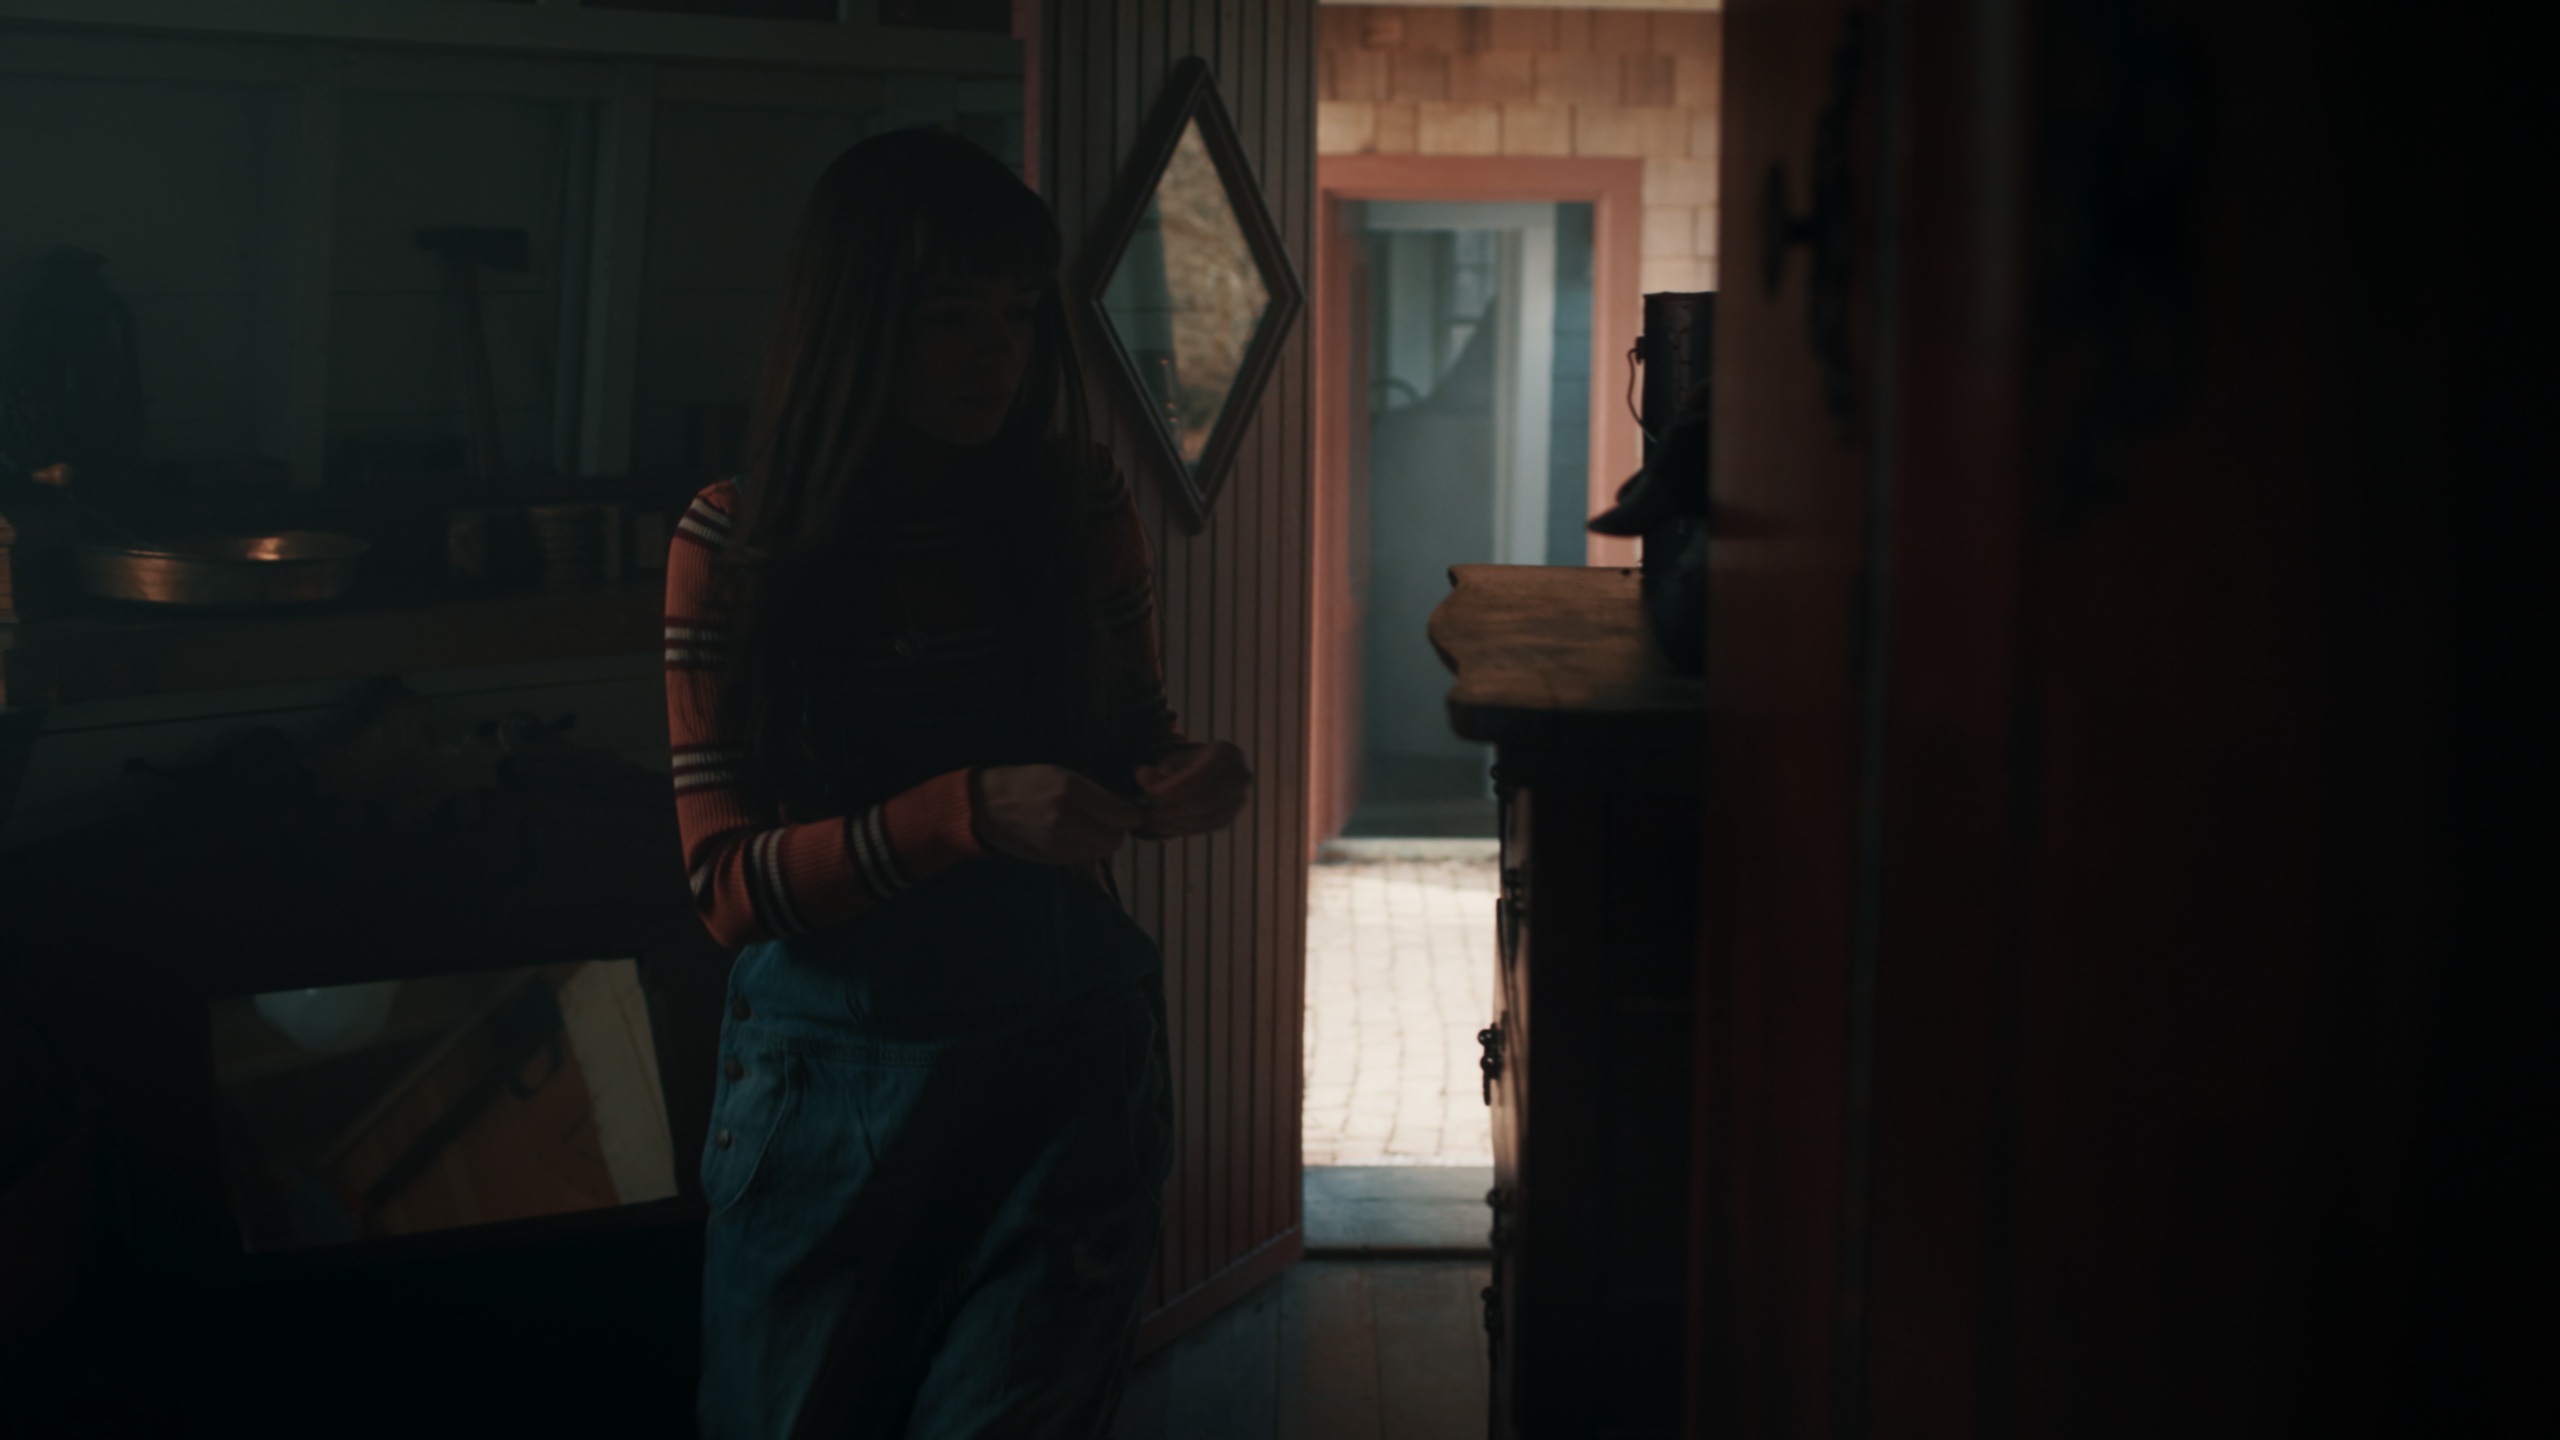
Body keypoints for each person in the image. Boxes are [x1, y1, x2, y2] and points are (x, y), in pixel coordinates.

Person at [663, 127, 1252, 1438]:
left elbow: (1131, 742)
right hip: (826, 1086)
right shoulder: (735, 541)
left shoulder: (1074, 498)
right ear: (853, 328)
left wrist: (1183, 777)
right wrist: (962, 814)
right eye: (948, 320)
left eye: (1018, 317)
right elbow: (725, 886)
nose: (997, 355)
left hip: (1063, 1062)